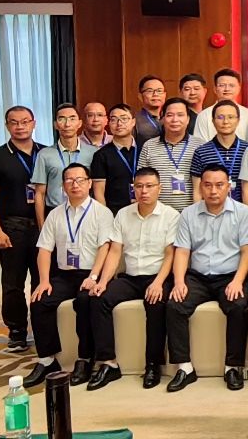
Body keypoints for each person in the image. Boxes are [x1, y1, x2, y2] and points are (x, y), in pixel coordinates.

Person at [165, 165, 248, 392]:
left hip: (230, 276)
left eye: (219, 185)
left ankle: (232, 367)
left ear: (229, 187)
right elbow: (182, 251)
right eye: (208, 185)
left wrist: (238, 281)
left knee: (238, 306)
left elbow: (247, 252)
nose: (213, 191)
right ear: (201, 187)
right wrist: (179, 282)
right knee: (175, 305)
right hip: (198, 277)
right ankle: (185, 368)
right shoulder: (188, 214)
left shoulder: (243, 213)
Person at [24, 164, 114, 388]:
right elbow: (44, 249)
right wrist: (44, 281)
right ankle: (47, 360)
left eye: (80, 180)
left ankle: (85, 359)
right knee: (39, 301)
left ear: (89, 183)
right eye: (69, 180)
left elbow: (105, 247)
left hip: (91, 273)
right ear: (63, 186)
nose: (75, 185)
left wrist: (94, 276)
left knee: (85, 301)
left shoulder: (102, 212)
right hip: (64, 275)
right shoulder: (55, 214)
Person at [91, 167, 177, 390]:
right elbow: (115, 251)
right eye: (139, 186)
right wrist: (103, 281)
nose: (144, 191)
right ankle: (109, 363)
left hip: (157, 277)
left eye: (149, 186)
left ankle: (153, 365)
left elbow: (171, 255)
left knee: (156, 304)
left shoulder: (171, 215)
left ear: (159, 189)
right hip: (130, 278)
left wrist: (158, 283)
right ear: (133, 189)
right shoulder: (123, 214)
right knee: (98, 298)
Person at [0, 106, 45, 352]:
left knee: (43, 279)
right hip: (12, 227)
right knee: (13, 283)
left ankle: (43, 328)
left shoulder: (46, 153)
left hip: (43, 226)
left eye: (25, 121)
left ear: (34, 123)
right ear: (7, 126)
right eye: (14, 122)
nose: (20, 126)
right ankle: (17, 331)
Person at [136, 98, 204, 212]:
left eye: (180, 115)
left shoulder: (200, 146)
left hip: (191, 214)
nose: (175, 119)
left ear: (188, 119)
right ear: (162, 119)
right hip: (158, 215)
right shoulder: (149, 146)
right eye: (170, 115)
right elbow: (141, 180)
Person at [33, 104, 96, 227]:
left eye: (72, 118)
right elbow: (40, 193)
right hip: (55, 212)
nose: (67, 124)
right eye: (62, 119)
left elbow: (97, 188)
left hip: (86, 212)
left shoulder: (93, 153)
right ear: (55, 125)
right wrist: (42, 226)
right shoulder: (44, 154)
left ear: (80, 123)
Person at [190, 100, 248, 203]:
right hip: (210, 209)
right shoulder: (201, 152)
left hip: (241, 210)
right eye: (220, 117)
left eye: (230, 117)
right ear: (213, 121)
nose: (225, 122)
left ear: (238, 120)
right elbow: (197, 191)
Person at [90, 104, 139, 214]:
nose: (119, 123)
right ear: (108, 123)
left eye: (124, 119)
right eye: (114, 120)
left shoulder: (144, 149)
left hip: (143, 210)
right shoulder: (101, 155)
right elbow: (99, 192)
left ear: (133, 122)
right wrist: (105, 216)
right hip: (115, 213)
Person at [193, 69, 248, 141]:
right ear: (215, 89)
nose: (227, 89)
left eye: (231, 85)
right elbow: (200, 144)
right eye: (222, 85)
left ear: (239, 89)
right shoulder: (204, 115)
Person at [134, 75, 166, 145]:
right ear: (140, 96)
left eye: (159, 91)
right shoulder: (134, 120)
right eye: (150, 91)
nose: (155, 94)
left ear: (164, 95)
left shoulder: (171, 117)